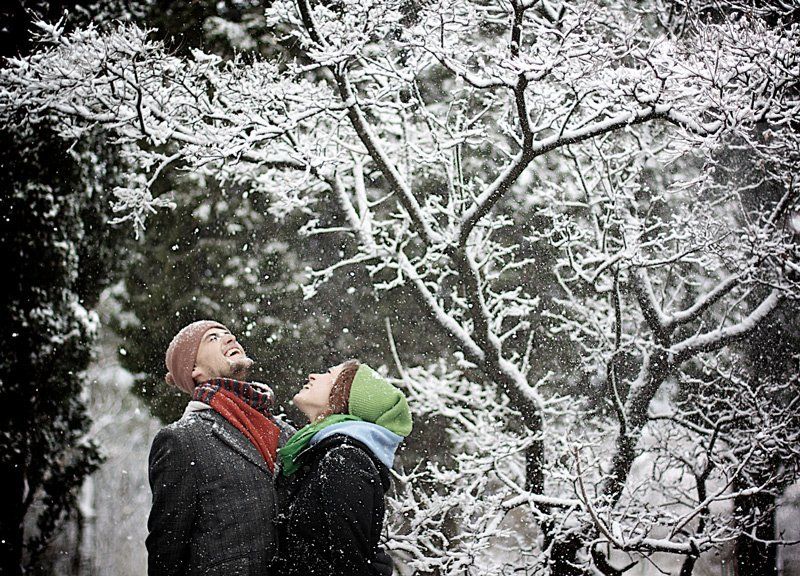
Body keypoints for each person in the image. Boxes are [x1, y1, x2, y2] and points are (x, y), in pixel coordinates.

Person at [146, 320, 293, 576]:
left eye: (229, 334)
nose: (230, 338)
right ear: (194, 370)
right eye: (213, 338)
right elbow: (166, 551)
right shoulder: (182, 440)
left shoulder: (286, 432)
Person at [274, 360, 413, 576]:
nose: (312, 375)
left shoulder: (344, 460)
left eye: (328, 374)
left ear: (341, 396)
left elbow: (349, 565)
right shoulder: (320, 455)